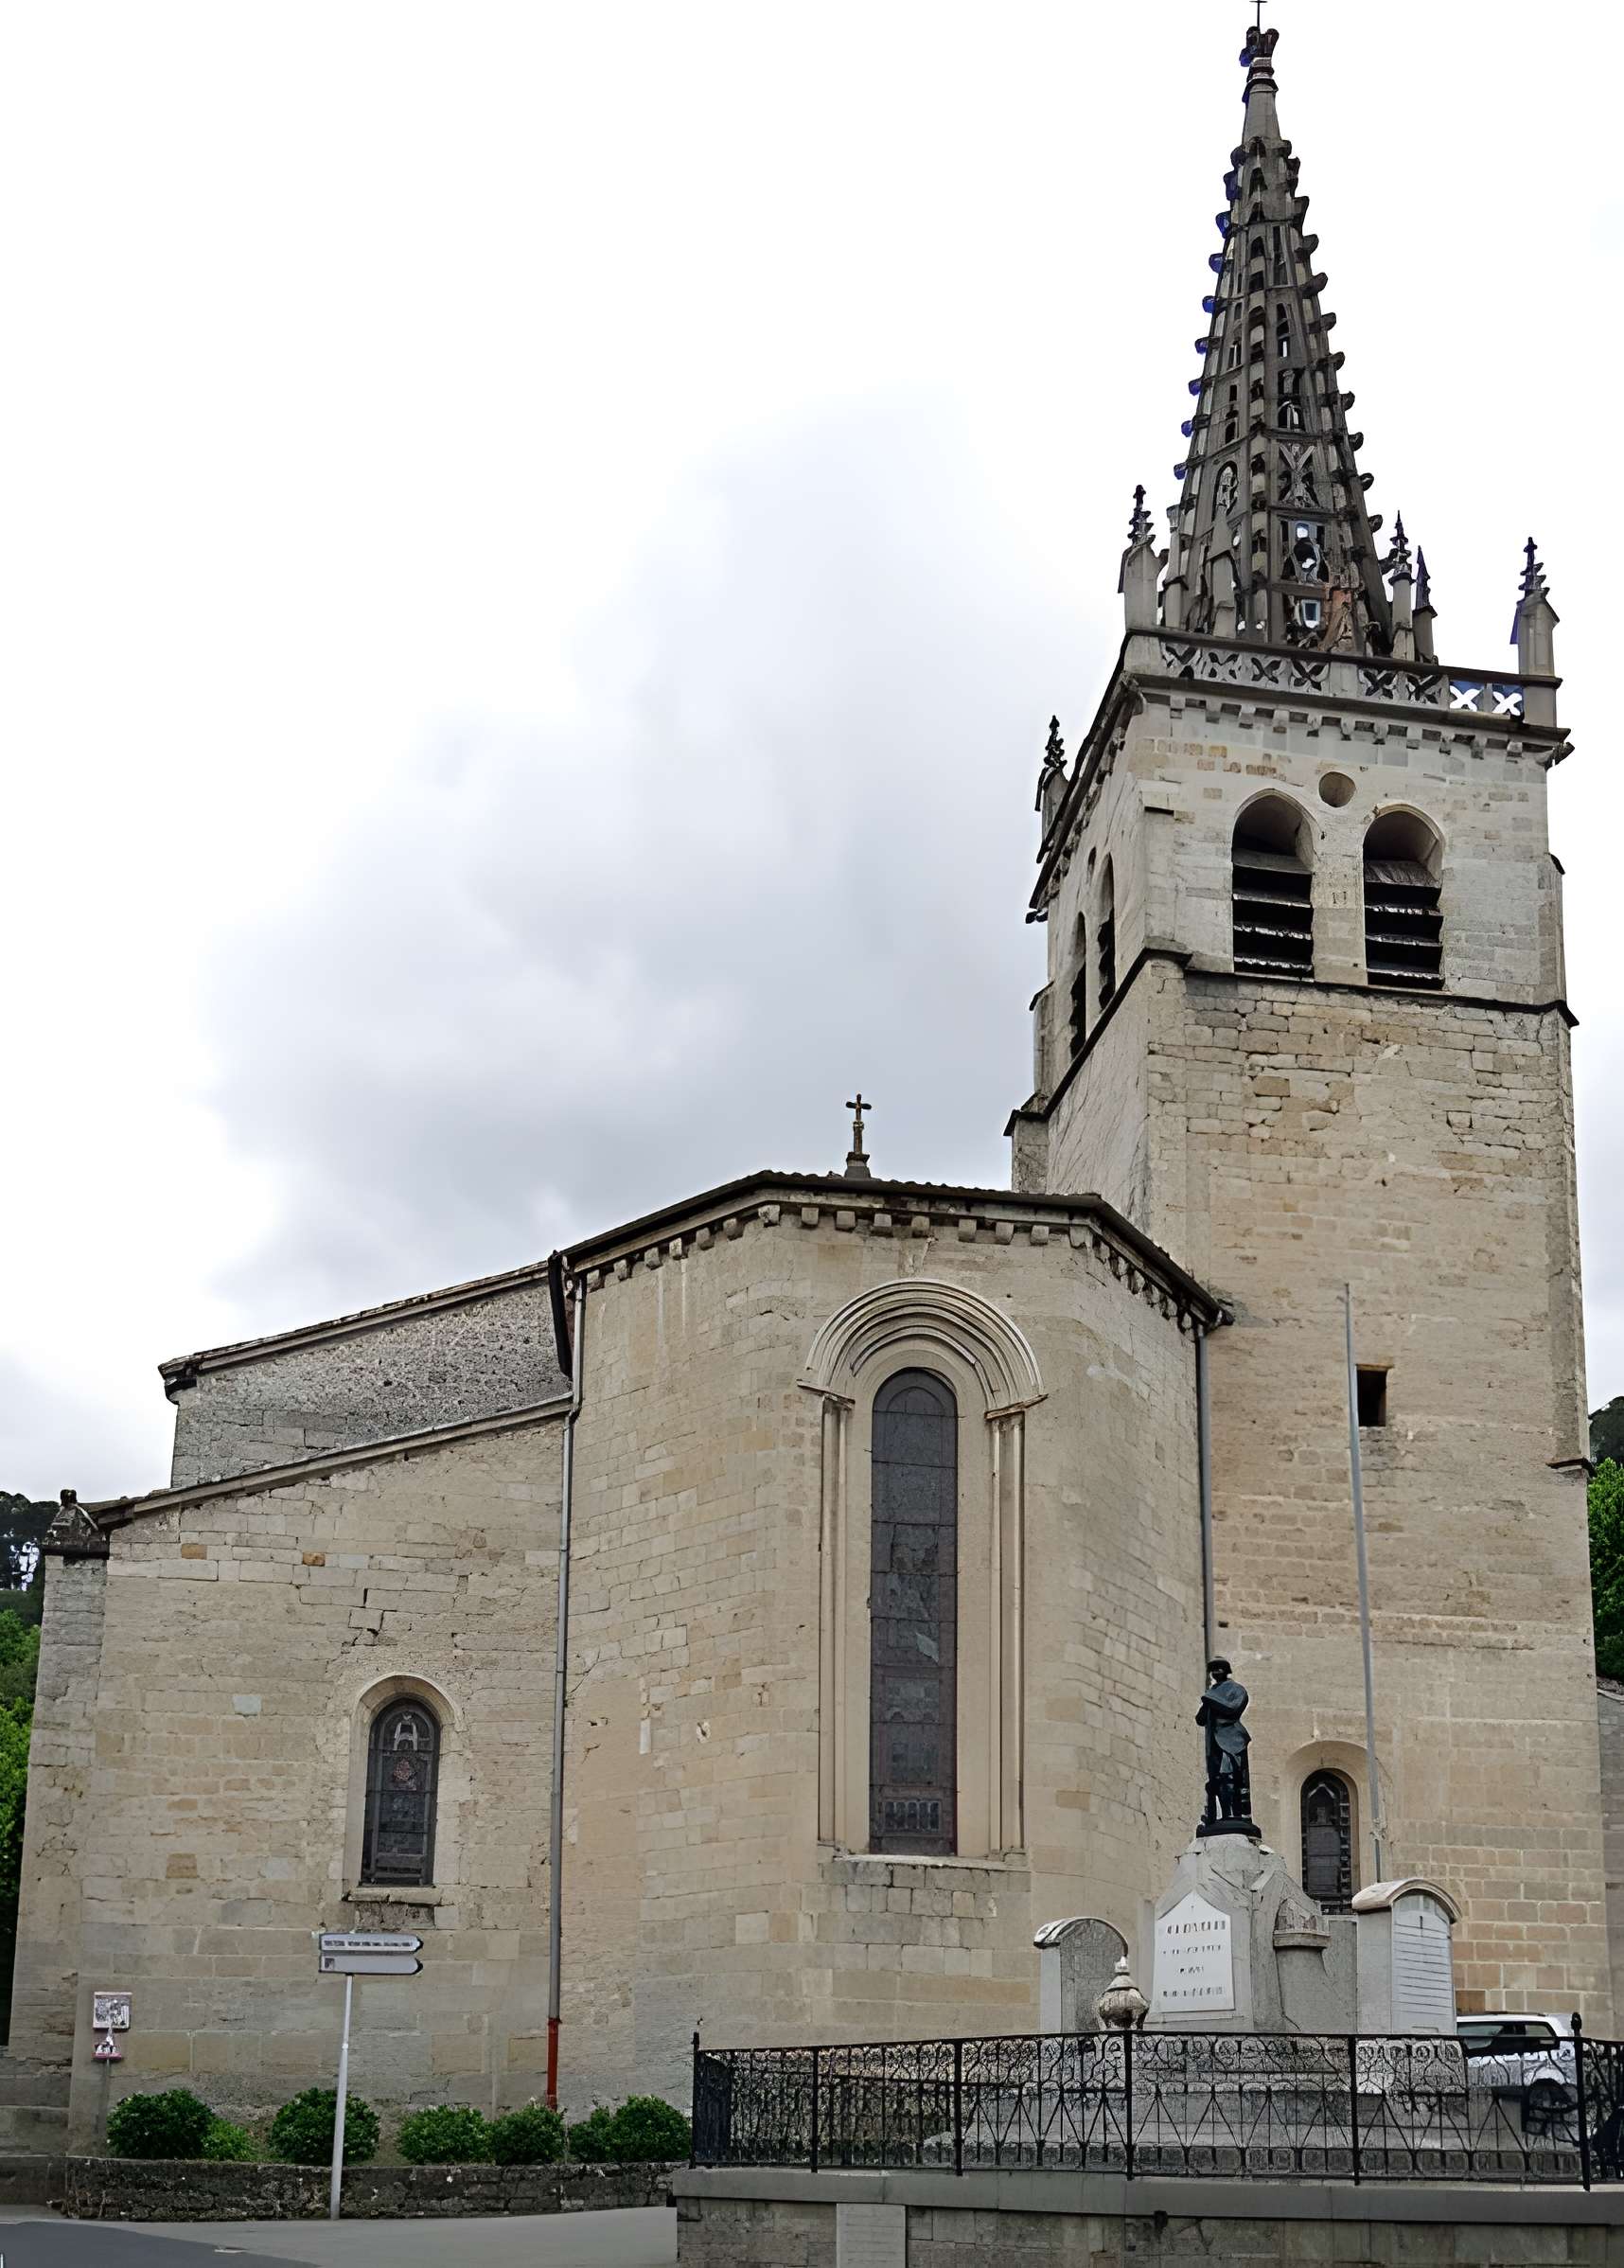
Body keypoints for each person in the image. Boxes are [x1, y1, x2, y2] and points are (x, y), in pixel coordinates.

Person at [1198, 1657, 1251, 1826]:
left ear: (1226, 1671)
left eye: (1220, 1669)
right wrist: (1206, 1703)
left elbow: (1233, 1708)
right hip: (1214, 1743)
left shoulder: (1236, 1689)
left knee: (1231, 1777)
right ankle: (1223, 1816)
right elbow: (1200, 1719)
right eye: (1214, 1669)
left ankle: (1235, 1815)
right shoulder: (1212, 1692)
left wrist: (1210, 1700)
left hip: (1231, 1740)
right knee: (1217, 1779)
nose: (1216, 1672)